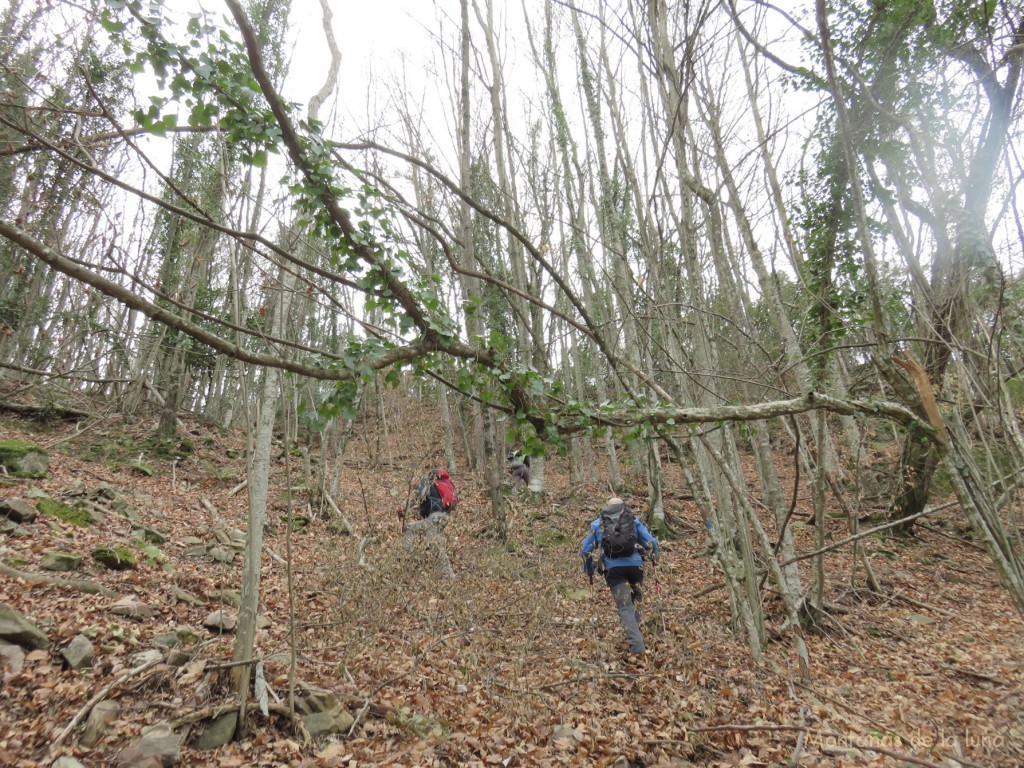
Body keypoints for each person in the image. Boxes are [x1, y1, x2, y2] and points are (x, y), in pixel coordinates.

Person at [580, 497, 660, 655]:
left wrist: (589, 569)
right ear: (623, 506)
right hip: (636, 567)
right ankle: (636, 636)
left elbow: (585, 550)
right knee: (636, 599)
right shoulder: (632, 520)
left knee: (625, 607)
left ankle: (637, 648)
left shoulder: (598, 523)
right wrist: (654, 558)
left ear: (607, 507)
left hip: (613, 569)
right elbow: (652, 542)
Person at [401, 468, 458, 580]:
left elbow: (417, 500)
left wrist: (404, 509)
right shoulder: (435, 484)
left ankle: (449, 577)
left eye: (410, 480)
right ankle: (408, 556)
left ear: (414, 478)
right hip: (443, 518)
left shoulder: (425, 483)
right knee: (410, 528)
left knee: (436, 547)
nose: (410, 484)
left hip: (434, 519)